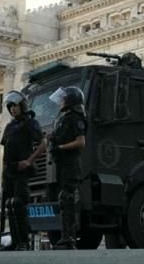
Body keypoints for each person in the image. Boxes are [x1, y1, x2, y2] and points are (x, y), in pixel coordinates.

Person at [0, 90, 46, 251]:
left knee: (19, 204)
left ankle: (24, 241)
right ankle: (14, 239)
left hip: (22, 170)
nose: (12, 109)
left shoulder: (31, 122)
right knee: (9, 205)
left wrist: (29, 161)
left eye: (15, 105)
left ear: (22, 106)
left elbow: (43, 143)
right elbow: (5, 150)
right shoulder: (9, 126)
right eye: (10, 106)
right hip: (9, 171)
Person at [49, 86, 87, 250]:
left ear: (71, 100)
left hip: (71, 163)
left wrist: (62, 147)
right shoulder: (62, 118)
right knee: (63, 199)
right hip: (62, 163)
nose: (60, 102)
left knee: (67, 197)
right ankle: (66, 236)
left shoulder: (76, 118)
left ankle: (69, 237)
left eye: (63, 98)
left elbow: (81, 142)